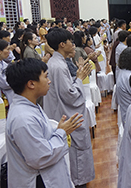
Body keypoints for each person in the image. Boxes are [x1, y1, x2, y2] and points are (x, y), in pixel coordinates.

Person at [5, 58, 84, 188]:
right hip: (39, 181)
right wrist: (62, 132)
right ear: (31, 84)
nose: (49, 81)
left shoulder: (30, 105)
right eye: (46, 77)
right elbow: (41, 157)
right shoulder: (23, 119)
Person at [43, 28, 95, 187]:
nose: (73, 45)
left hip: (60, 110)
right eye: (70, 42)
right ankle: (78, 181)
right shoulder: (58, 65)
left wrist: (78, 76)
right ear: (62, 44)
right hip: (64, 113)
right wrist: (79, 78)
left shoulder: (59, 62)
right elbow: (70, 95)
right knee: (75, 150)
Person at [0, 39, 14, 106]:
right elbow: (4, 83)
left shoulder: (2, 62)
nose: (9, 52)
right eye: (7, 49)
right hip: (1, 97)